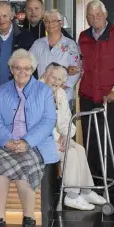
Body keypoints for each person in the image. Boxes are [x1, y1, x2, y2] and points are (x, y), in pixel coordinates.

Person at [0, 49, 57, 227]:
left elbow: (49, 121)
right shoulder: (2, 91)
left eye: (27, 68)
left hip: (34, 144)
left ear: (33, 69)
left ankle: (29, 217)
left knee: (25, 168)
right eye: (17, 68)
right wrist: (7, 140)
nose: (22, 72)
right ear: (11, 69)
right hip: (4, 143)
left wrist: (27, 141)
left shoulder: (44, 91)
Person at [78, 0, 114, 179]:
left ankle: (109, 177)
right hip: (87, 94)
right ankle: (91, 177)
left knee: (108, 138)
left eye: (98, 15)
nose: (94, 19)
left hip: (110, 97)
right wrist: (74, 69)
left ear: (105, 15)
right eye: (90, 16)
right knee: (89, 137)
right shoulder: (83, 36)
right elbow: (80, 63)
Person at [41, 63, 106, 210]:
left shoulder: (60, 93)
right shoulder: (37, 91)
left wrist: (66, 134)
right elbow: (38, 122)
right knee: (69, 153)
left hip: (57, 137)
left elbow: (66, 120)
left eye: (60, 80)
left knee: (80, 150)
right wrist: (58, 138)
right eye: (53, 77)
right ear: (45, 75)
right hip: (41, 139)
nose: (56, 82)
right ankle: (71, 196)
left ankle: (86, 190)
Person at [0, 1, 34, 95]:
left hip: (20, 91)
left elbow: (32, 66)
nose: (1, 20)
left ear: (12, 15)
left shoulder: (25, 37)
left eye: (5, 16)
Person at [29, 9, 80, 104]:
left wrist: (58, 89)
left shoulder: (70, 44)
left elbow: (76, 71)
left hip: (63, 96)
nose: (50, 24)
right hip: (42, 94)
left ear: (61, 23)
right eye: (47, 21)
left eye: (53, 21)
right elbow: (28, 65)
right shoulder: (38, 44)